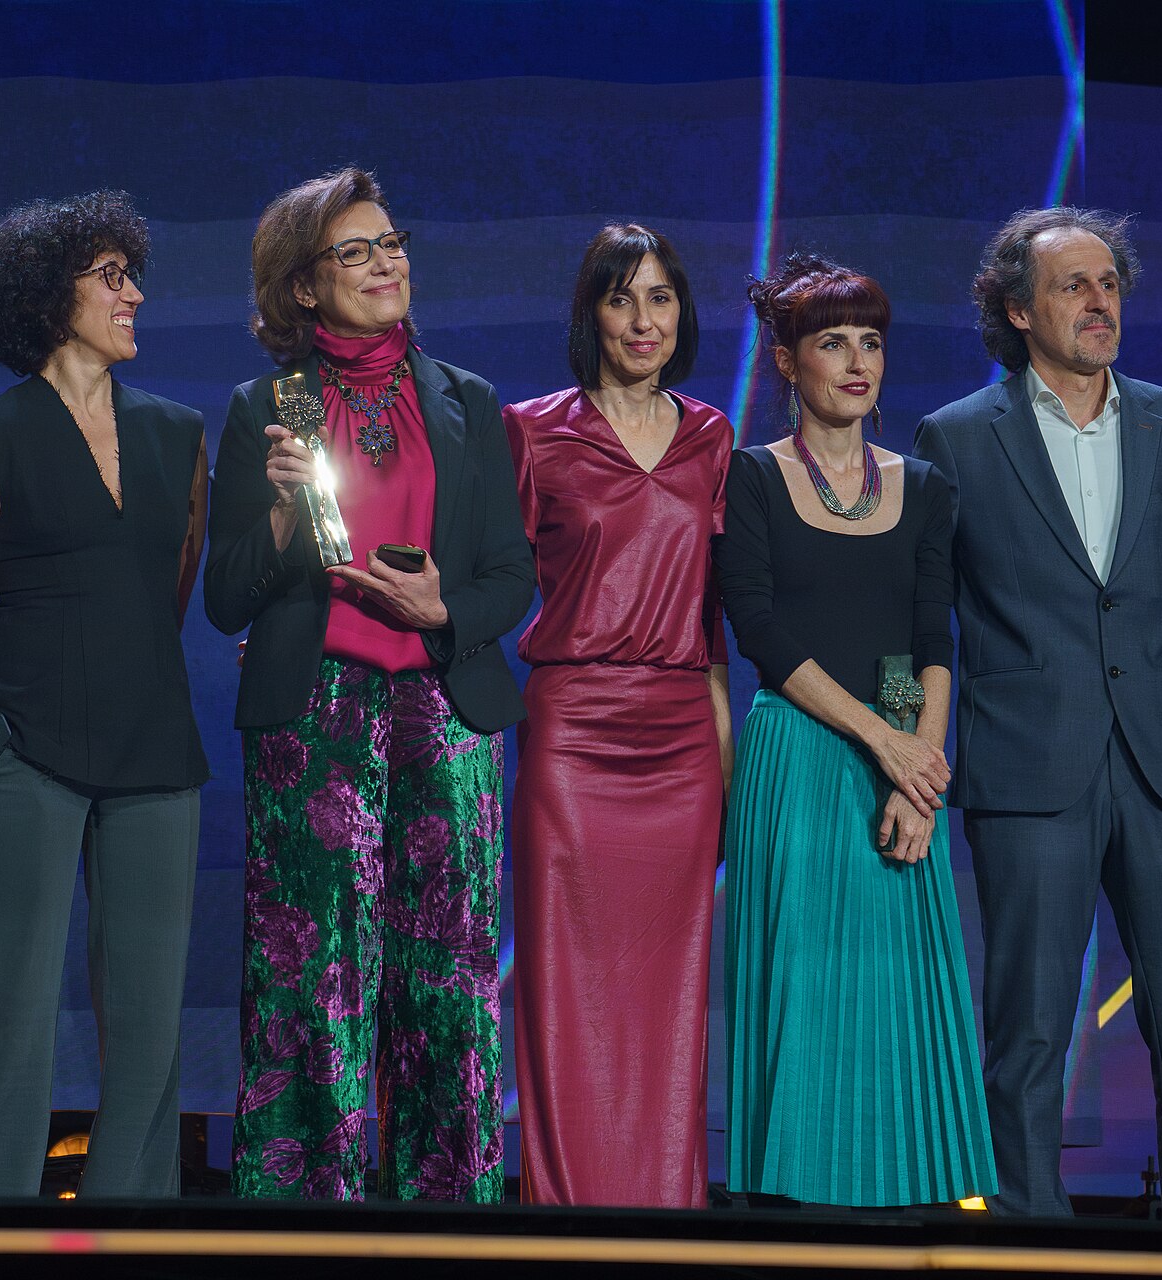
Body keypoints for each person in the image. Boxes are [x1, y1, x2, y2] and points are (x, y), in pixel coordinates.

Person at [916, 208, 1162, 1222]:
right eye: (1073, 285)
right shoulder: (956, 435)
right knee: (1027, 1026)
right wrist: (906, 738)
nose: (1099, 300)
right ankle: (1031, 1233)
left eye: (1109, 282)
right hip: (1029, 766)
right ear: (1017, 309)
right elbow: (914, 610)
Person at [204, 167, 533, 1202]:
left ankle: (453, 1217)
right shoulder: (268, 405)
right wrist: (278, 513)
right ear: (303, 285)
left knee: (449, 986)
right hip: (316, 715)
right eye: (357, 250)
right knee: (316, 982)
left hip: (443, 706)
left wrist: (446, 611)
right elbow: (225, 596)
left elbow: (512, 573)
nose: (387, 262)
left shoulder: (467, 401)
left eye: (392, 243)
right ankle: (308, 1219)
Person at [0, 191, 208, 1198]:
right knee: (11, 1013)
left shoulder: (179, 434)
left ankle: (137, 1225)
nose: (133, 294)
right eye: (110, 276)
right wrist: (6, 730)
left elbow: (167, 585)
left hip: (157, 757)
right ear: (50, 296)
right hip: (27, 758)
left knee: (149, 1026)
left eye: (134, 274)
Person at [716, 252, 995, 1208]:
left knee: (888, 998)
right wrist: (887, 745)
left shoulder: (922, 485)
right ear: (787, 364)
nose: (855, 361)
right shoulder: (750, 479)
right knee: (800, 991)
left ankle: (901, 1206)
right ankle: (786, 1208)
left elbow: (928, 636)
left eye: (869, 342)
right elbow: (759, 632)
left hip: (899, 761)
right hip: (795, 756)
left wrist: (918, 770)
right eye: (831, 343)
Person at [502, 224, 732, 1208]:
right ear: (589, 314)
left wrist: (724, 760)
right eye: (621, 298)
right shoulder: (531, 428)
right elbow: (480, 583)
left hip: (681, 738)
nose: (643, 319)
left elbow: (718, 620)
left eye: (661, 299)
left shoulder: (714, 436)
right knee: (566, 993)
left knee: (668, 994)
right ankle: (565, 1219)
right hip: (572, 732)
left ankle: (667, 1219)